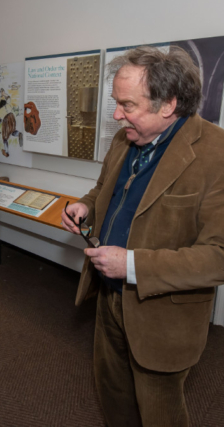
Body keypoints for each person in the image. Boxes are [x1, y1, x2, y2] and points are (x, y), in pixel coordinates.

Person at [61, 45, 224, 427]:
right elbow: (104, 188)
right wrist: (86, 206)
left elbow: (219, 256)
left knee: (160, 412)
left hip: (163, 317)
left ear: (167, 105)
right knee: (113, 396)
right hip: (108, 301)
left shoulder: (217, 155)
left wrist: (131, 265)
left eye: (128, 105)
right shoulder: (125, 139)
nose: (117, 116)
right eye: (116, 104)